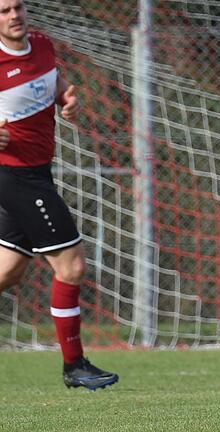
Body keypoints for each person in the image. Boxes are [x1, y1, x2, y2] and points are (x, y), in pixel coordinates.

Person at [0, 0, 118, 390]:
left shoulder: (42, 44)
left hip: (37, 172)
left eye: (17, 7)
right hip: (14, 177)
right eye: (3, 11)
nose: (13, 15)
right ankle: (74, 366)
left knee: (9, 271)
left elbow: (52, 83)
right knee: (71, 266)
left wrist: (67, 96)